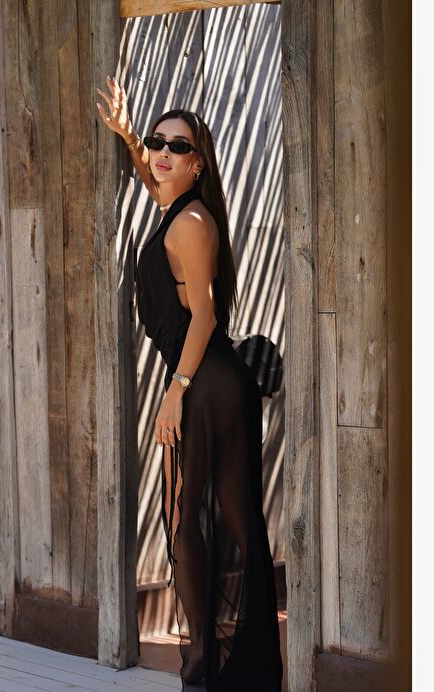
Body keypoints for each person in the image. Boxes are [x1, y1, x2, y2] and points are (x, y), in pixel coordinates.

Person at [96, 75, 283, 691]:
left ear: (198, 163)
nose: (163, 154)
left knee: (191, 521)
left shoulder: (192, 222)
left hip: (204, 380)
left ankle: (212, 664)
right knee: (225, 518)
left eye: (177, 146)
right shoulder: (176, 206)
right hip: (208, 379)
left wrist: (174, 392)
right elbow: (153, 181)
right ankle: (231, 665)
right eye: (159, 142)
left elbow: (203, 315)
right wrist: (130, 136)